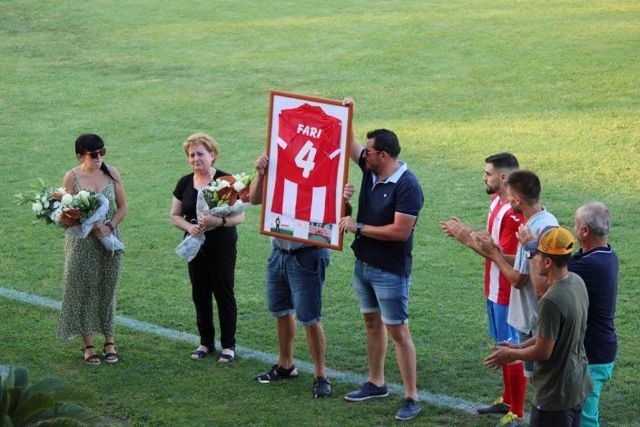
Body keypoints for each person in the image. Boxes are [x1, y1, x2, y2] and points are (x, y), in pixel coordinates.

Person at [339, 101, 424, 421]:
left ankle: (411, 396)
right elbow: (350, 145)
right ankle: (376, 382)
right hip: (363, 265)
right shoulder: (371, 168)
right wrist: (349, 114)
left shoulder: (407, 185)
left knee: (398, 332)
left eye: (370, 152)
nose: (364, 155)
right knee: (372, 323)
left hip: (390, 270)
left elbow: (400, 232)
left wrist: (358, 226)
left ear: (384, 156)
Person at [248, 153, 353, 398]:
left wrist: (343, 197)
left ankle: (320, 375)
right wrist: (261, 173)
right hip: (278, 253)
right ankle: (286, 365)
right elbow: (254, 198)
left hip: (307, 255)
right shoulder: (276, 163)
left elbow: (340, 215)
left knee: (309, 318)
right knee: (281, 311)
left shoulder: (324, 170)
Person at [441, 153, 526, 427]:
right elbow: (492, 245)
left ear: (503, 177)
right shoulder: (495, 202)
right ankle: (507, 399)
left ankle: (518, 410)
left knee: (511, 349)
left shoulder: (513, 214)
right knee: (502, 346)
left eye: (488, 173)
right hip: (492, 288)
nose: (484, 177)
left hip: (507, 292)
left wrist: (466, 239)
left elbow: (506, 259)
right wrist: (474, 236)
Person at [485, 226, 592, 427]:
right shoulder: (577, 282)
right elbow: (549, 335)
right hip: (576, 385)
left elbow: (543, 351)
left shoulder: (551, 300)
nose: (534, 259)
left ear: (548, 262)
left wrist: (510, 355)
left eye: (537, 255)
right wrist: (518, 347)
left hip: (555, 394)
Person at [473, 170, 558, 383]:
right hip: (539, 315)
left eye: (510, 197)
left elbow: (518, 280)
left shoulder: (532, 229)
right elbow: (524, 265)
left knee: (539, 380)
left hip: (532, 318)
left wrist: (493, 254)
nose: (508, 200)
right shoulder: (547, 219)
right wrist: (498, 252)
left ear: (518, 200)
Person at [171, 132, 244, 363]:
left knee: (224, 293)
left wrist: (217, 222)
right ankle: (205, 342)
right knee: (199, 293)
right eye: (191, 155)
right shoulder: (184, 182)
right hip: (195, 247)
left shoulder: (226, 181)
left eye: (200, 154)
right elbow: (175, 215)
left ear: (212, 155)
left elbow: (240, 217)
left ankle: (229, 346)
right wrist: (188, 227)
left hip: (221, 246)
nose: (195, 159)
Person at [58, 133, 128, 365]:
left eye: (102, 152)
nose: (99, 157)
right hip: (82, 244)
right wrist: (89, 223)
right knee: (83, 290)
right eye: (93, 154)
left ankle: (109, 340)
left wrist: (109, 226)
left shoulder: (111, 173)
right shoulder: (72, 177)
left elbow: (123, 207)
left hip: (108, 240)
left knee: (108, 289)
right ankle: (87, 344)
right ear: (80, 156)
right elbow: (65, 215)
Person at [569, 202, 618, 427]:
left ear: (585, 231)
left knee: (585, 420)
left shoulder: (589, 266)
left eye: (575, 225)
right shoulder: (608, 255)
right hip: (601, 349)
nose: (573, 228)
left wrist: (532, 248)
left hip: (593, 354)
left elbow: (547, 278)